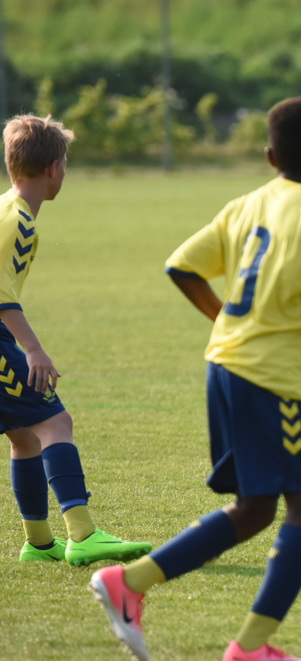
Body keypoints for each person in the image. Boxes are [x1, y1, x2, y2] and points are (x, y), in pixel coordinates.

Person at [89, 98, 301, 661]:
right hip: (271, 377)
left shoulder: (244, 205)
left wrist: (225, 320)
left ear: (269, 156)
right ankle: (249, 648)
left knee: (257, 507)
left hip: (224, 366)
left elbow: (181, 265)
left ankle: (130, 583)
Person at [1, 114, 152, 566]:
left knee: (24, 434)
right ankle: (82, 534)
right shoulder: (19, 222)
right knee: (55, 422)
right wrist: (33, 349)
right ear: (53, 169)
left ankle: (39, 544)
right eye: (65, 164)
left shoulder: (7, 207)